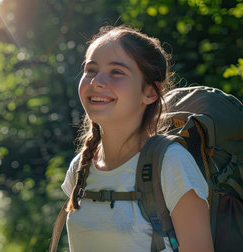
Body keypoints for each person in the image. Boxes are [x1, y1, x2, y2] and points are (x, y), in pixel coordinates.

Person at [61, 25, 214, 251]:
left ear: (150, 92)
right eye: (91, 70)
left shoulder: (171, 164)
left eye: (117, 72)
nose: (96, 81)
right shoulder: (80, 169)